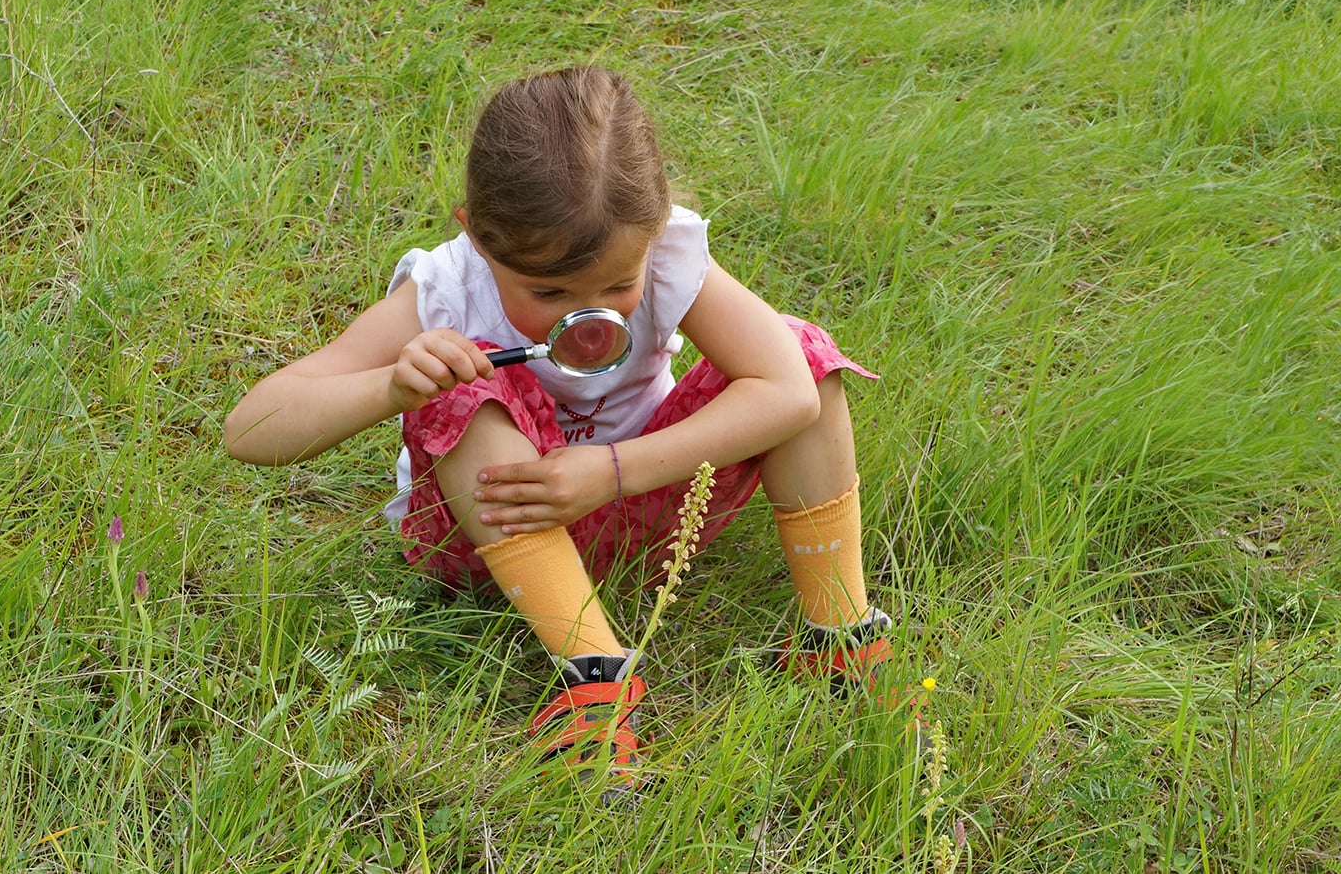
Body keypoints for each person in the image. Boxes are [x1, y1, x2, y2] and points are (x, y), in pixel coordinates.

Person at [224, 65, 894, 790]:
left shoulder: (664, 255)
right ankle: (594, 679)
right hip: (496, 535)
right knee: (465, 383)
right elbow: (251, 429)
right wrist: (390, 384)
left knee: (799, 351)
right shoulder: (448, 290)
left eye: (616, 286)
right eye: (547, 292)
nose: (589, 313)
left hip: (644, 501)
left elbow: (789, 394)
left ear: (656, 228)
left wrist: (611, 471)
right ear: (476, 236)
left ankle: (840, 635)